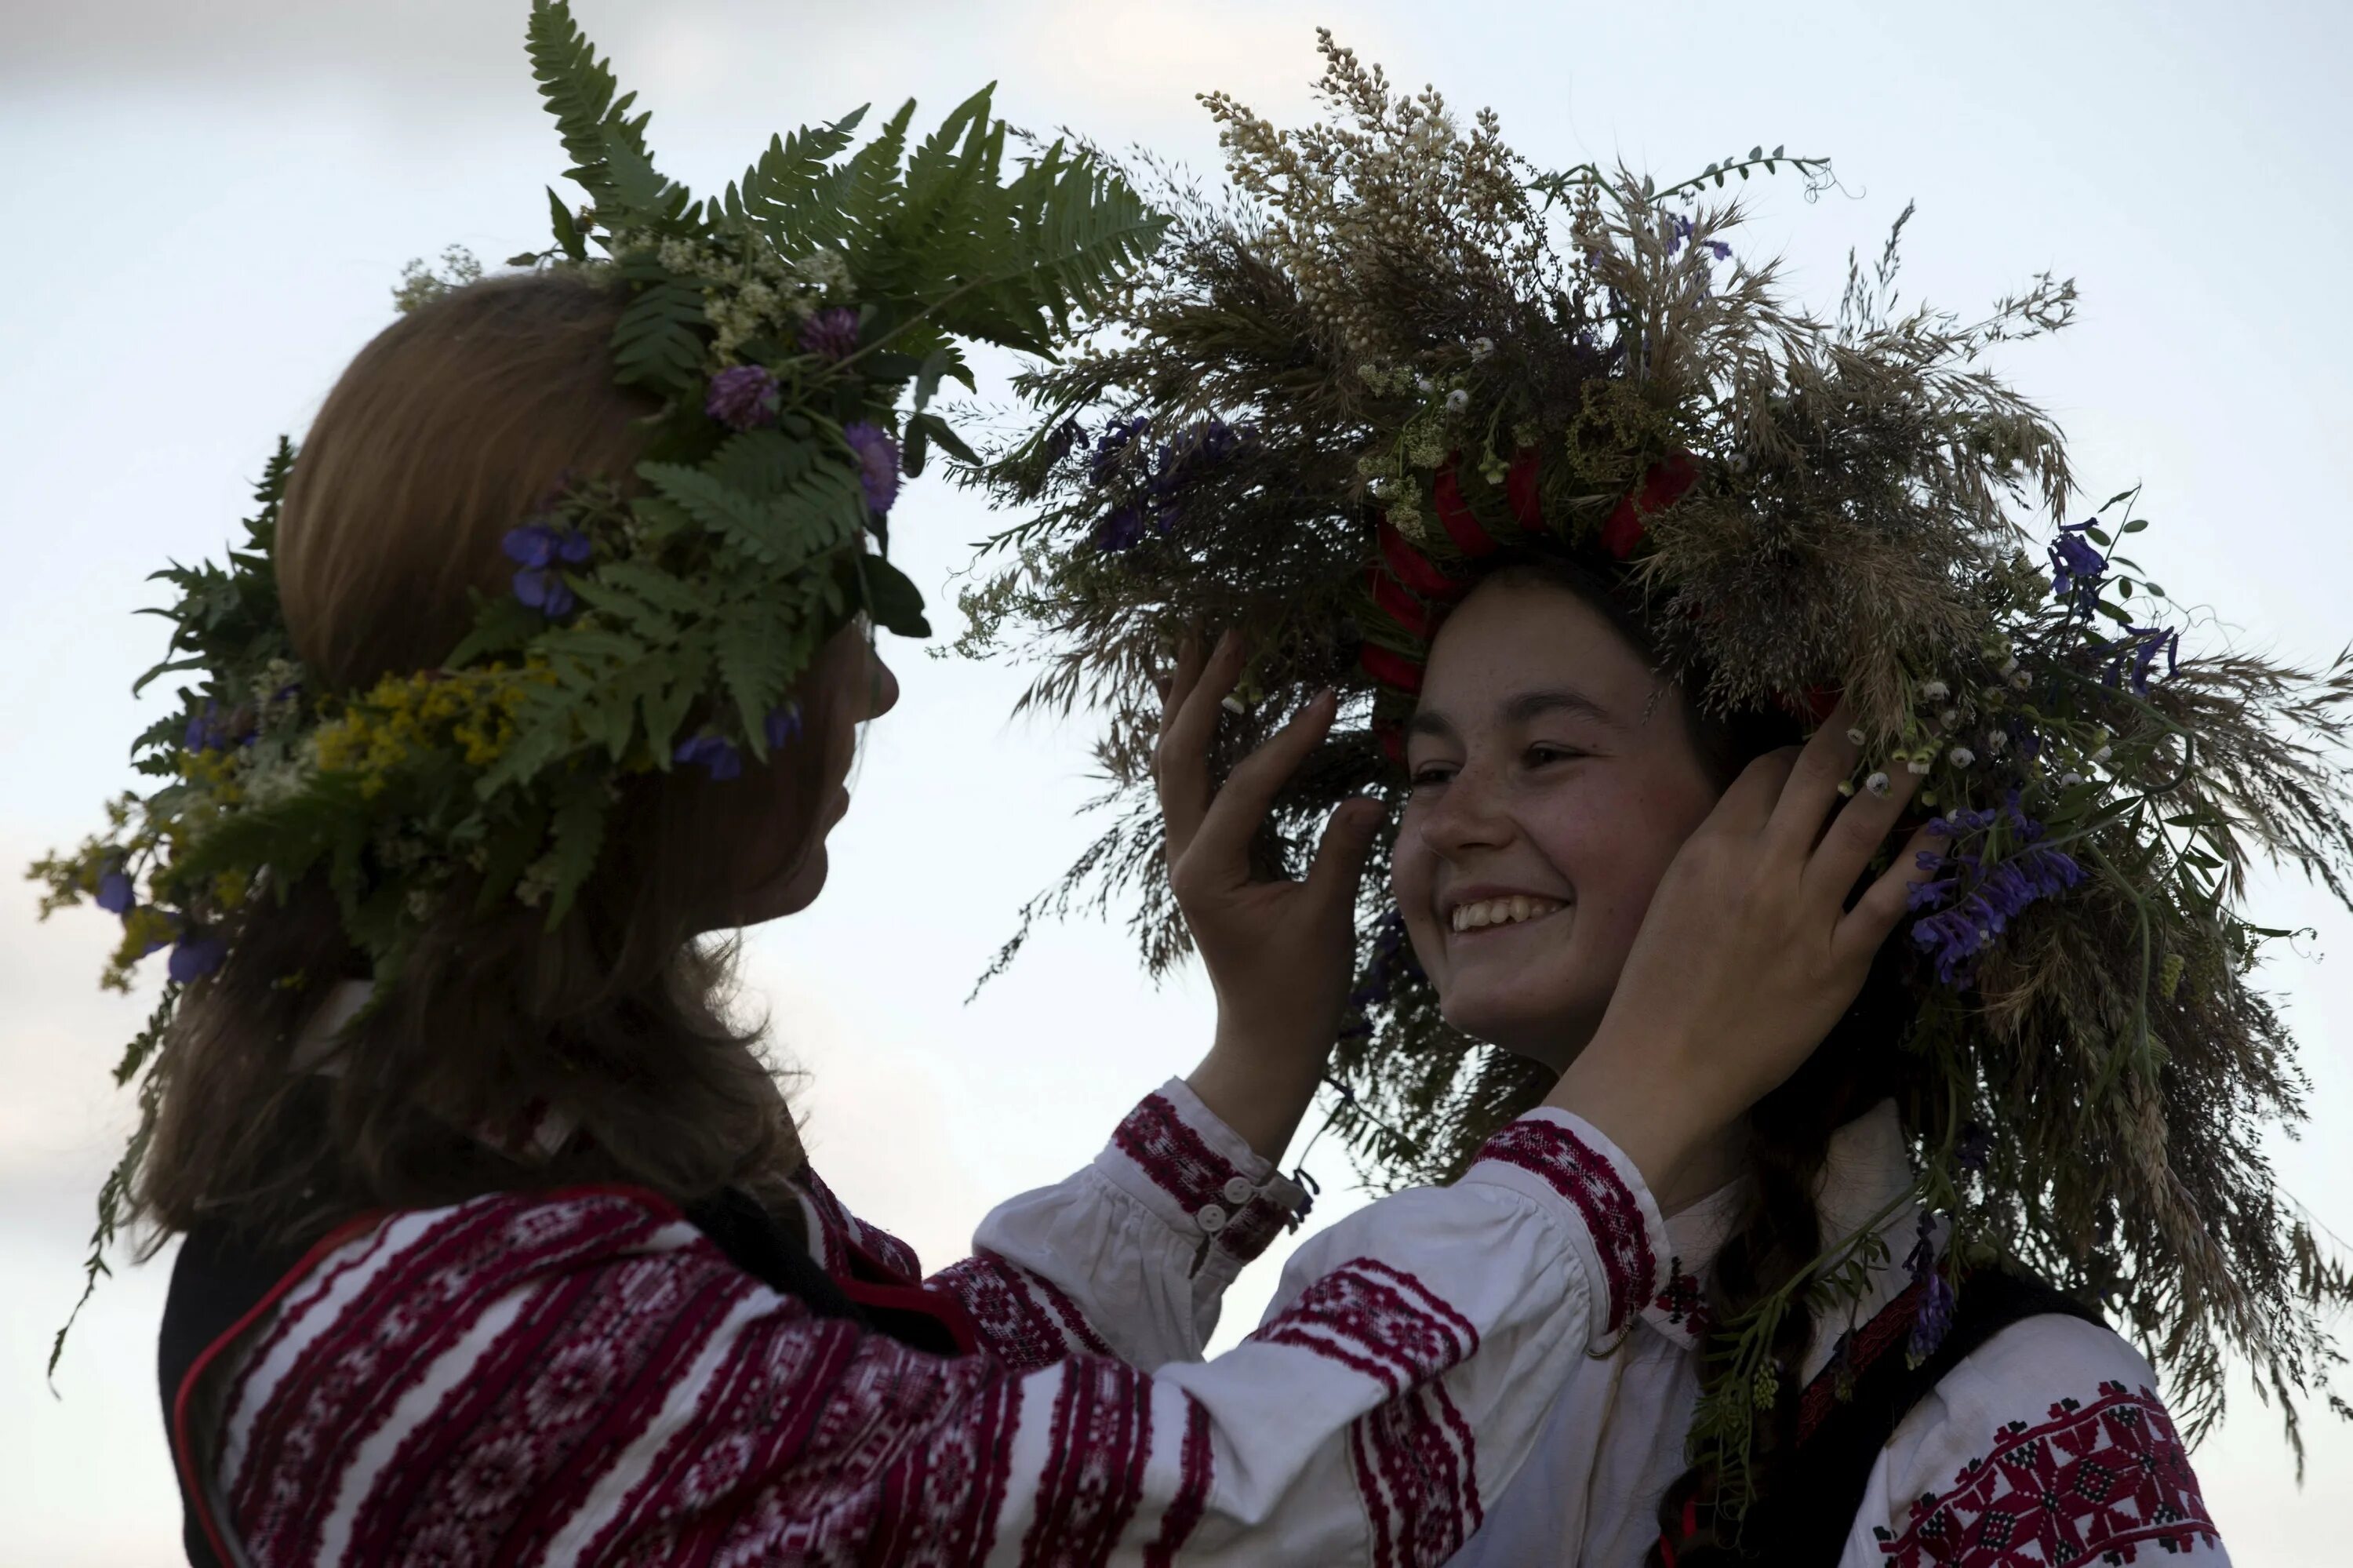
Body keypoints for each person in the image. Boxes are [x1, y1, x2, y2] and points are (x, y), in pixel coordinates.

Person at [32, 8, 1934, 1564]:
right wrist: (1651, 1084)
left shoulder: (507, 1148)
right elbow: (1171, 1506)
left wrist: (1248, 1070)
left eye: (1547, 751)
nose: (869, 675)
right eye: (820, 612)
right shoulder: (441, 1328)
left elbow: (928, 1410)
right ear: (627, 713)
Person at [966, 34, 2353, 1567]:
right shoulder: (1357, 1305)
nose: (1453, 820)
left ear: (1785, 821)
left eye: (1547, 753)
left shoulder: (1997, 1402)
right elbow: (974, 1504)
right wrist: (1251, 1062)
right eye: (1427, 771)